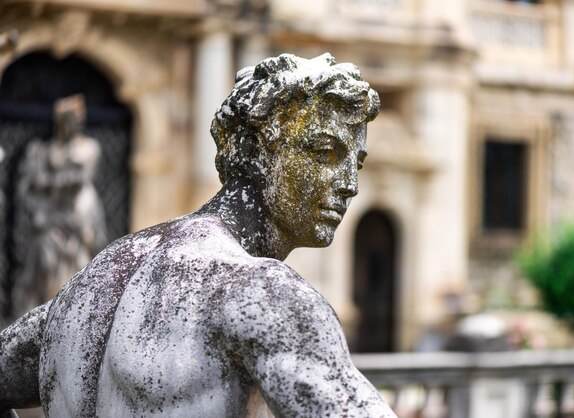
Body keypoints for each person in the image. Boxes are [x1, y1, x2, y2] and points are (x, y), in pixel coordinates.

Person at [0, 53, 395, 417]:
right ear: (253, 149)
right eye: (325, 153)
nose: (350, 185)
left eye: (354, 163)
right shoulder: (264, 295)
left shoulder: (88, 286)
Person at [12, 95, 107, 317]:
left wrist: (47, 181)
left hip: (78, 214)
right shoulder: (44, 150)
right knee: (45, 264)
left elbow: (80, 178)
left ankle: (76, 313)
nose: (70, 124)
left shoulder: (88, 148)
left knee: (81, 263)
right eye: (66, 119)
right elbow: (30, 187)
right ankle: (45, 313)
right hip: (50, 215)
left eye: (74, 119)